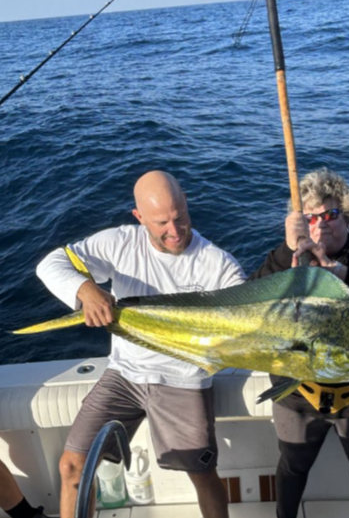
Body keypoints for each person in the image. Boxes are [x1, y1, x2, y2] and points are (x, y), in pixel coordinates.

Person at [37, 171, 246, 518]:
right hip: (125, 374)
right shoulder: (119, 242)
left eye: (180, 218)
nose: (175, 231)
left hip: (182, 381)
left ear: (187, 205)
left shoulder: (219, 265)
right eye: (162, 222)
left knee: (202, 473)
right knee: (72, 465)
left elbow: (241, 319)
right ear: (139, 217)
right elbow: (51, 263)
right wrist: (84, 290)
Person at [251, 168, 349, 518]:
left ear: (346, 218)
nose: (322, 223)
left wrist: (339, 272)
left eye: (331, 214)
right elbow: (254, 300)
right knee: (293, 465)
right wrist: (286, 252)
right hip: (298, 393)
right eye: (311, 216)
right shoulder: (286, 257)